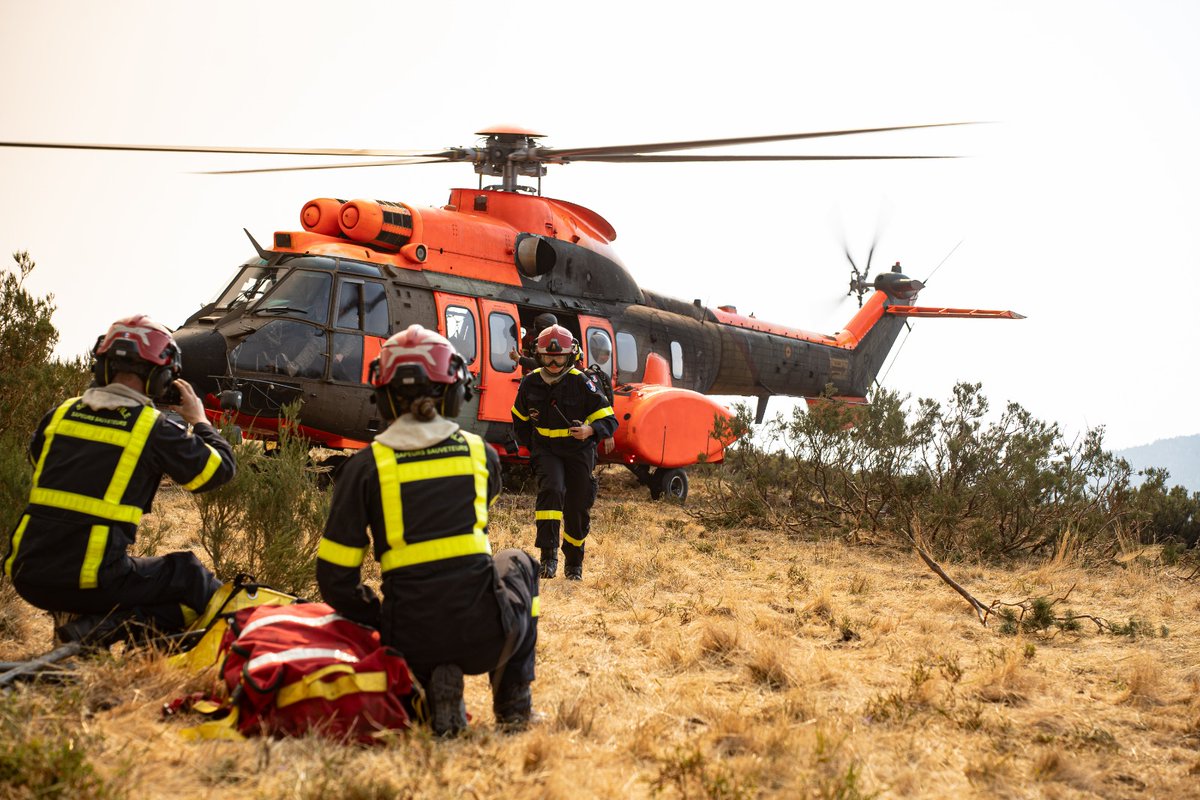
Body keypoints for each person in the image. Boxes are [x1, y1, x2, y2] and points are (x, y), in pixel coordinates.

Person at [316, 324, 540, 735]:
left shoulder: (365, 468)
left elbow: (334, 578)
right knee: (519, 562)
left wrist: (380, 620)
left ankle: (430, 690)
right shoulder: (481, 455)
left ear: (382, 396)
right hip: (485, 638)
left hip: (409, 642)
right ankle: (514, 707)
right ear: (454, 392)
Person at [3, 315, 236, 643]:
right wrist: (199, 420)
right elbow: (218, 471)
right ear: (161, 377)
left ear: (102, 369)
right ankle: (100, 632)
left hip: (26, 574)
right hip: (89, 578)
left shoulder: (59, 414)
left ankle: (84, 633)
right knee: (188, 576)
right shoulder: (152, 428)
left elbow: (39, 460)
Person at [511, 324, 617, 581]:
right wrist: (533, 448)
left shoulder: (583, 382)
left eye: (559, 356)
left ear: (571, 355)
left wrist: (590, 431)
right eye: (548, 355)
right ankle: (548, 558)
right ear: (539, 355)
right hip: (547, 450)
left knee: (577, 507)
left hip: (579, 452)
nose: (554, 360)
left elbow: (609, 420)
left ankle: (574, 563)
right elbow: (519, 419)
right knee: (552, 491)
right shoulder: (530, 382)